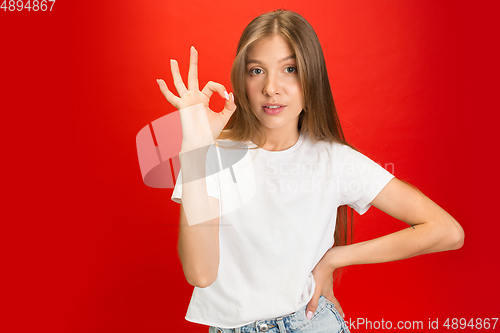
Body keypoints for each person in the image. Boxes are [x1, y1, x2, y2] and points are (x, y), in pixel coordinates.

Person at [156, 9, 464, 333]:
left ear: (311, 77)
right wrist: (195, 149)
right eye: (257, 70)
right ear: (241, 80)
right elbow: (200, 273)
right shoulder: (213, 155)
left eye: (289, 69)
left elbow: (447, 230)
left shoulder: (333, 160)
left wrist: (335, 258)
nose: (271, 88)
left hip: (310, 323)